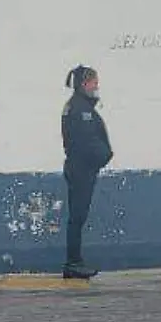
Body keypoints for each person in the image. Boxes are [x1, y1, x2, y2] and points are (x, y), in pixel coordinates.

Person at [61, 65, 113, 279]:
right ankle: (73, 263)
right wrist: (104, 156)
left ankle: (75, 261)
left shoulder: (76, 106)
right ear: (84, 84)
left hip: (78, 167)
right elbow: (88, 142)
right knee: (77, 217)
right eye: (94, 82)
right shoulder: (81, 110)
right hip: (82, 169)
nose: (97, 86)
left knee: (77, 217)